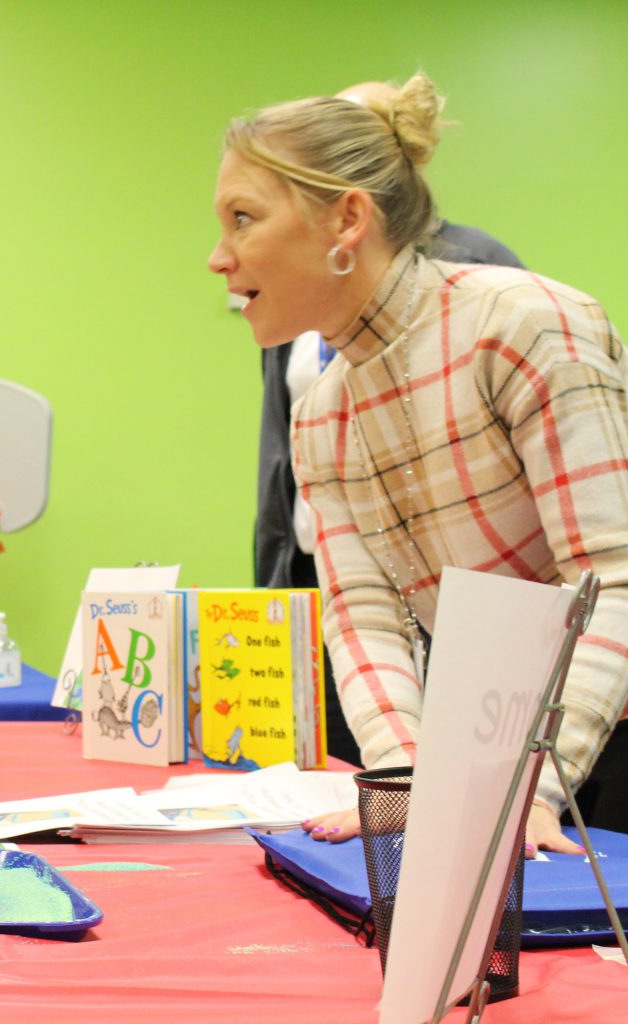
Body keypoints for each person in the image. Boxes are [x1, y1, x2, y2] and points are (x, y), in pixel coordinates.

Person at [209, 73, 628, 861]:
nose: (218, 258)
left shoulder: (521, 325)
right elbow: (364, 615)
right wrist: (402, 780)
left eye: (243, 219)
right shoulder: (324, 414)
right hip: (532, 718)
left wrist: (533, 788)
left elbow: (613, 579)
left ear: (347, 219)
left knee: (617, 931)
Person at [252, 81, 523, 767]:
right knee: (352, 764)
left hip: (442, 581)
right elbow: (282, 453)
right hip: (325, 569)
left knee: (453, 768)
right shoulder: (297, 292)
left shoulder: (475, 267)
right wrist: (274, 578)